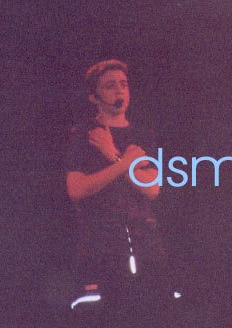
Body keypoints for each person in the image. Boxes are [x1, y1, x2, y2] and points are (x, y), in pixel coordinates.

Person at [65, 59, 173, 327]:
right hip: (101, 247)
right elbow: (77, 189)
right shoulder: (85, 135)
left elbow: (152, 188)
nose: (119, 91)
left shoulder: (142, 135)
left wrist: (113, 155)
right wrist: (124, 163)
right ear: (94, 96)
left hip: (146, 246)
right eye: (110, 86)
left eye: (123, 84)